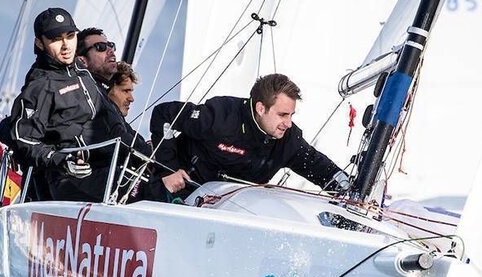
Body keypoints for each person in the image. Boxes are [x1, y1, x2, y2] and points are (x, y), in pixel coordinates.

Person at [150, 73, 350, 199]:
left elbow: (319, 167)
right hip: (181, 196)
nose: (288, 123)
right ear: (261, 108)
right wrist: (169, 169)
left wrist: (347, 188)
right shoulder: (220, 116)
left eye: (291, 115)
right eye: (282, 115)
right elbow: (164, 115)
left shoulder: (288, 140)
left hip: (229, 209)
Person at [7, 7, 104, 201]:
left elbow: (110, 118)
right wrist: (62, 160)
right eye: (56, 39)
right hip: (68, 178)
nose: (66, 45)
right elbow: (24, 140)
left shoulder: (82, 72)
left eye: (70, 36)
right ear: (39, 43)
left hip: (105, 164)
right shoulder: (40, 86)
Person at [77, 59, 189, 201]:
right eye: (125, 91)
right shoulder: (101, 118)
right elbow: (124, 140)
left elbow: (135, 142)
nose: (131, 98)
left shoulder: (121, 123)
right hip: (90, 187)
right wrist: (159, 162)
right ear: (108, 88)